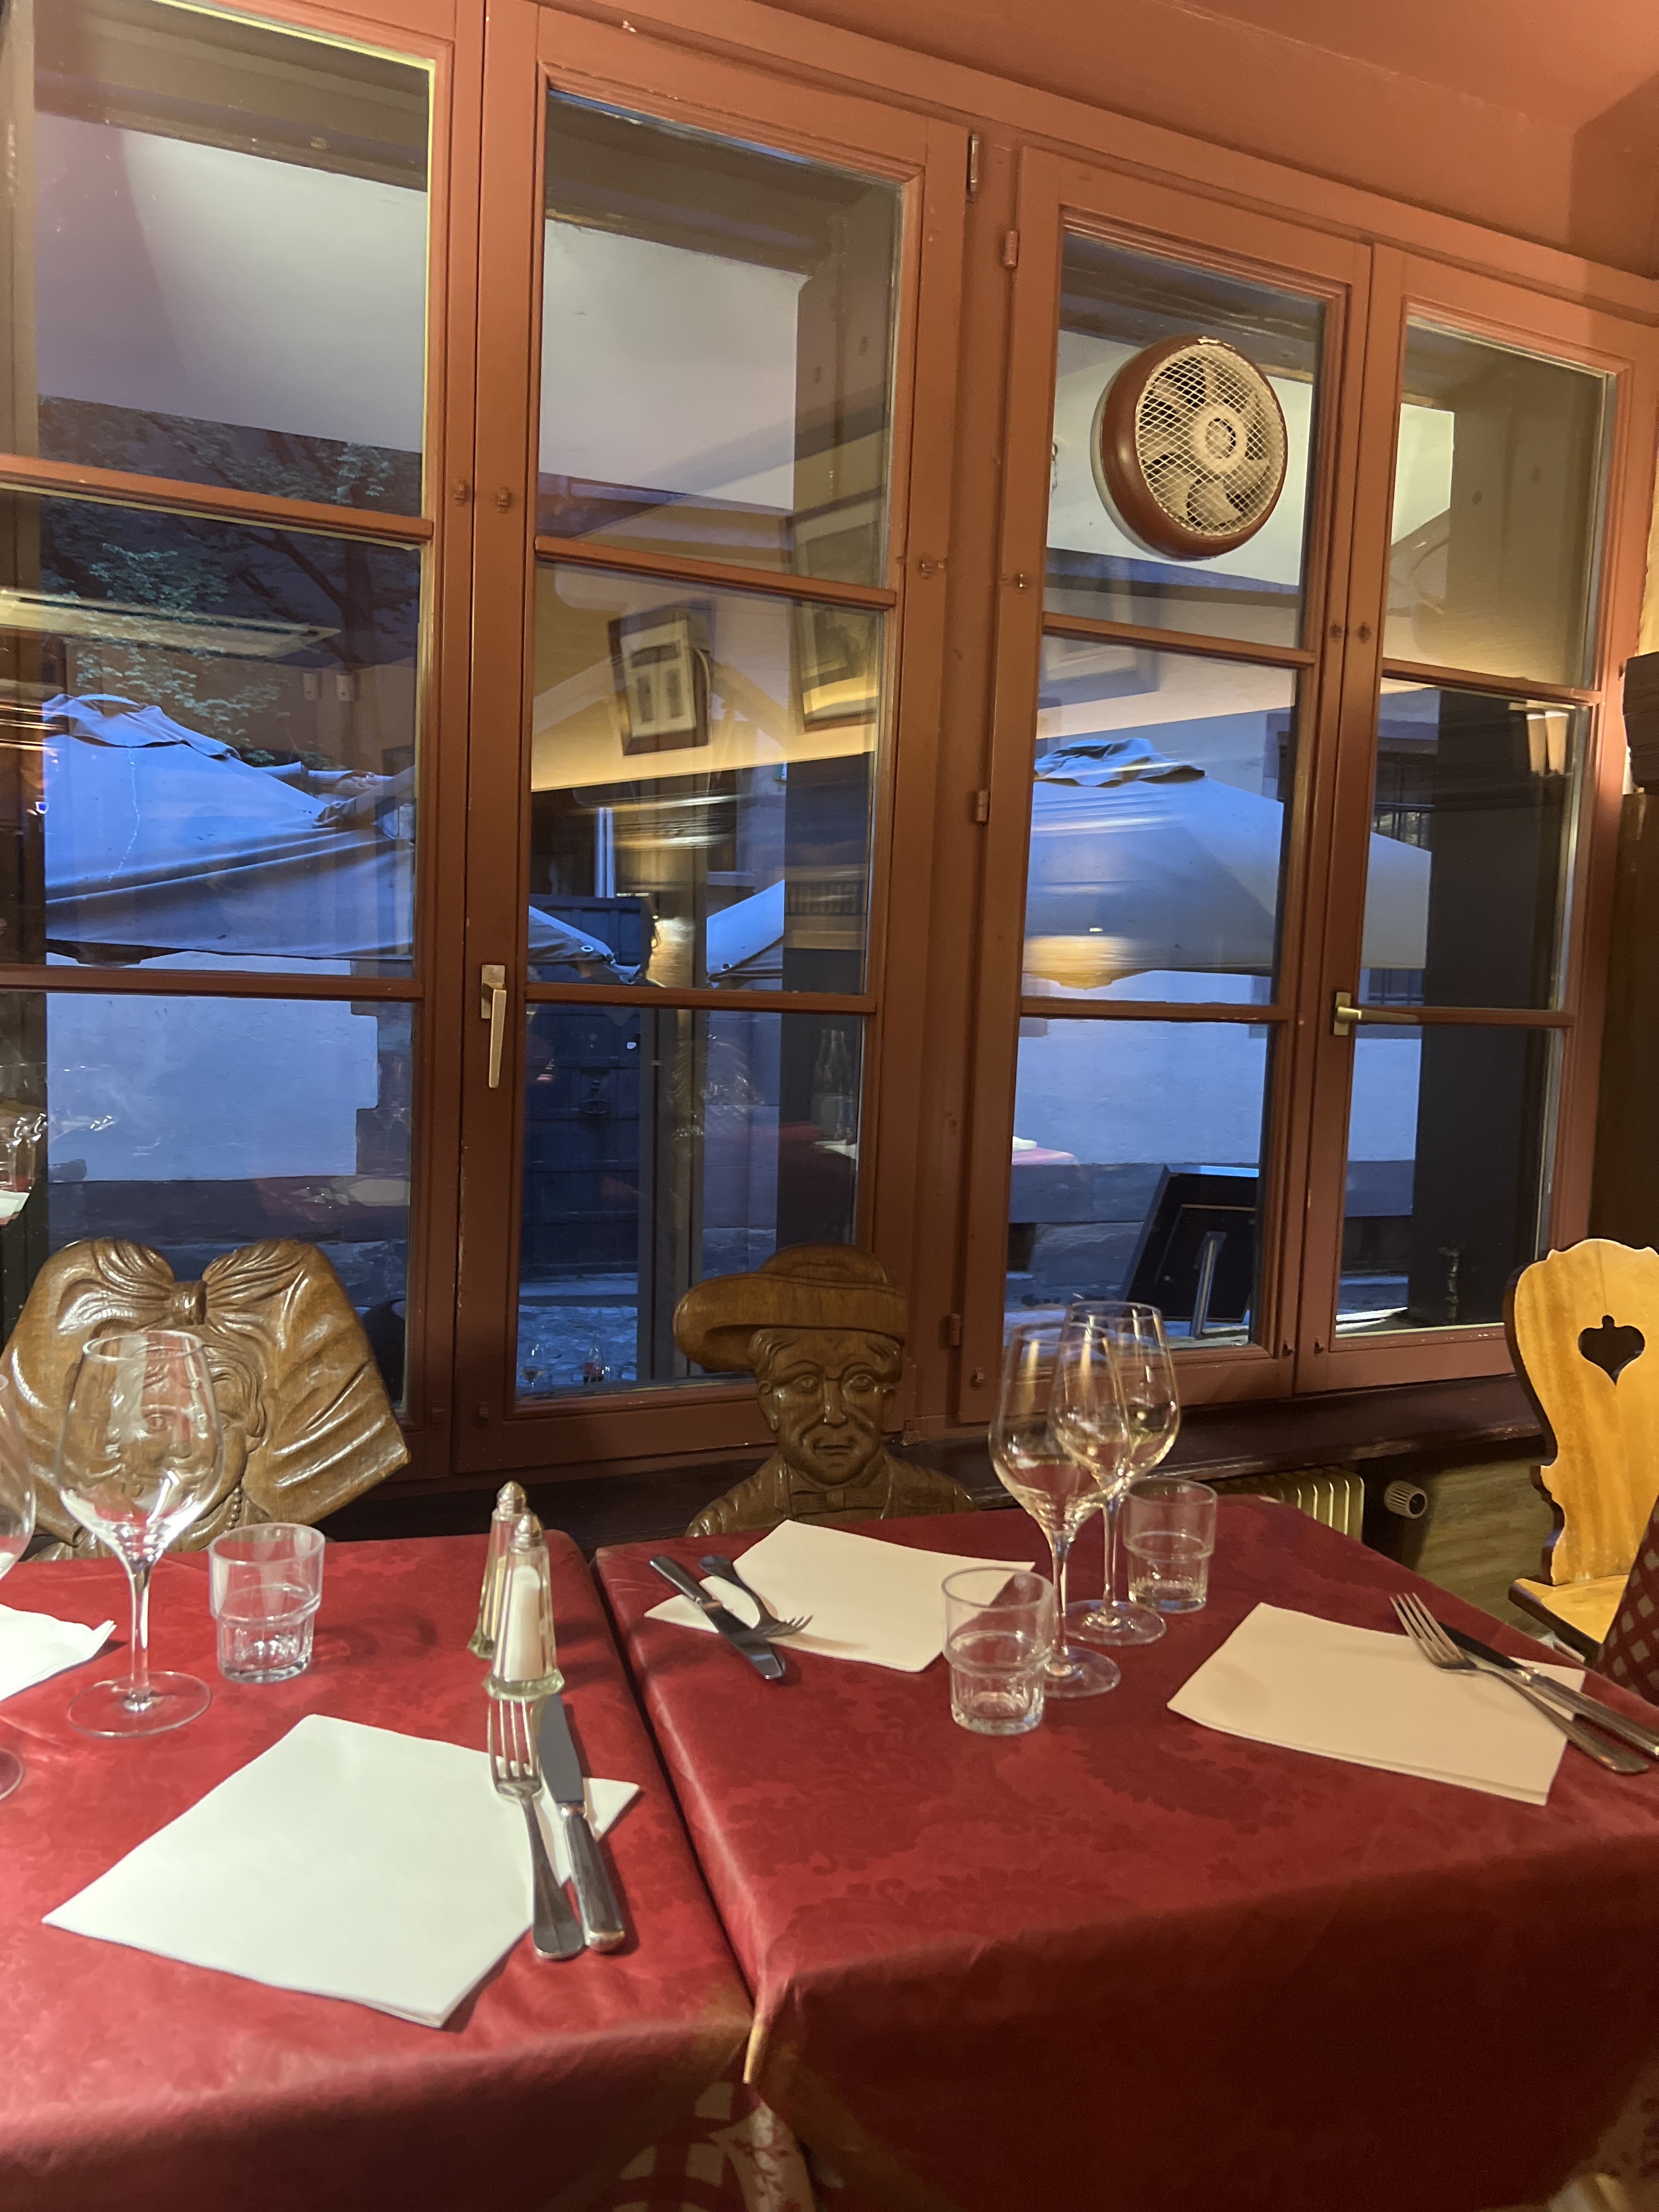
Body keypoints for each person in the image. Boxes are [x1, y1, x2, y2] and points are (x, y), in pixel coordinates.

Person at [677, 1245, 975, 1536]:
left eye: (860, 1383)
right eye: (806, 1384)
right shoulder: (722, 1530)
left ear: (886, 1402)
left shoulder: (948, 1508)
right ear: (769, 1404)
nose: (834, 1415)